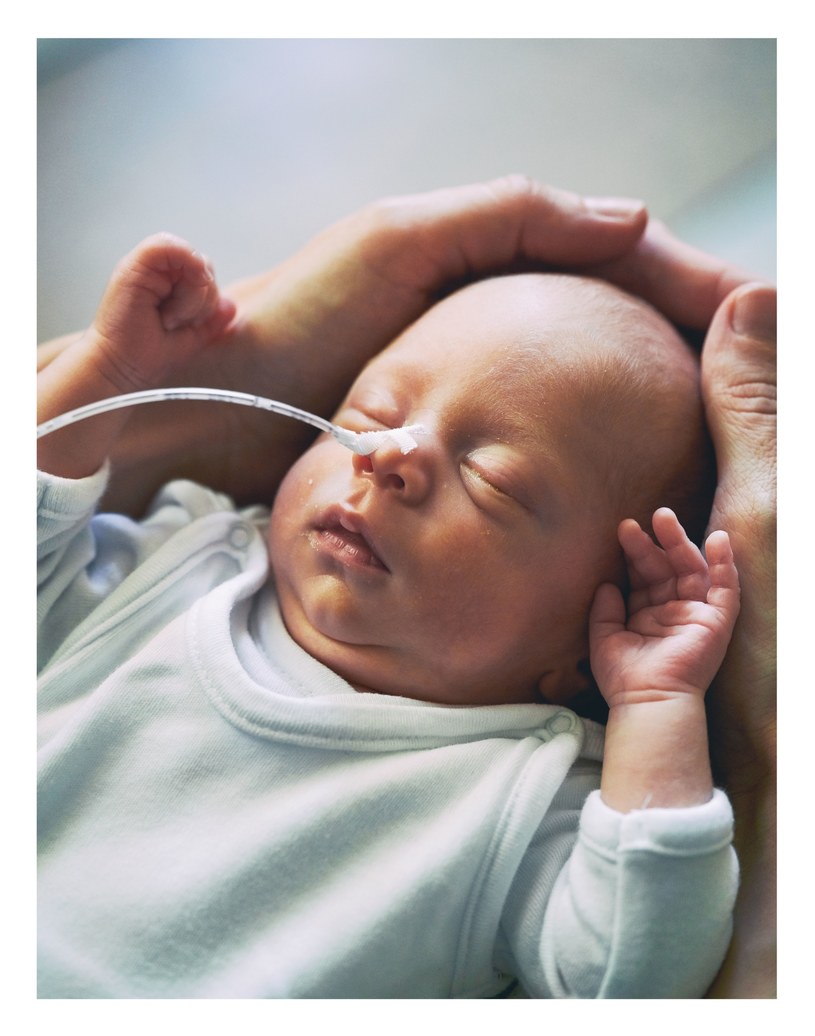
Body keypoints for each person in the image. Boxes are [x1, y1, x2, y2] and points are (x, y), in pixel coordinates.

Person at [37, 177, 776, 997]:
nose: (387, 454)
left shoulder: (517, 800)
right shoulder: (185, 564)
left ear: (580, 648)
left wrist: (655, 706)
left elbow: (625, 974)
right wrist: (105, 371)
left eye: (492, 481)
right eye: (368, 413)